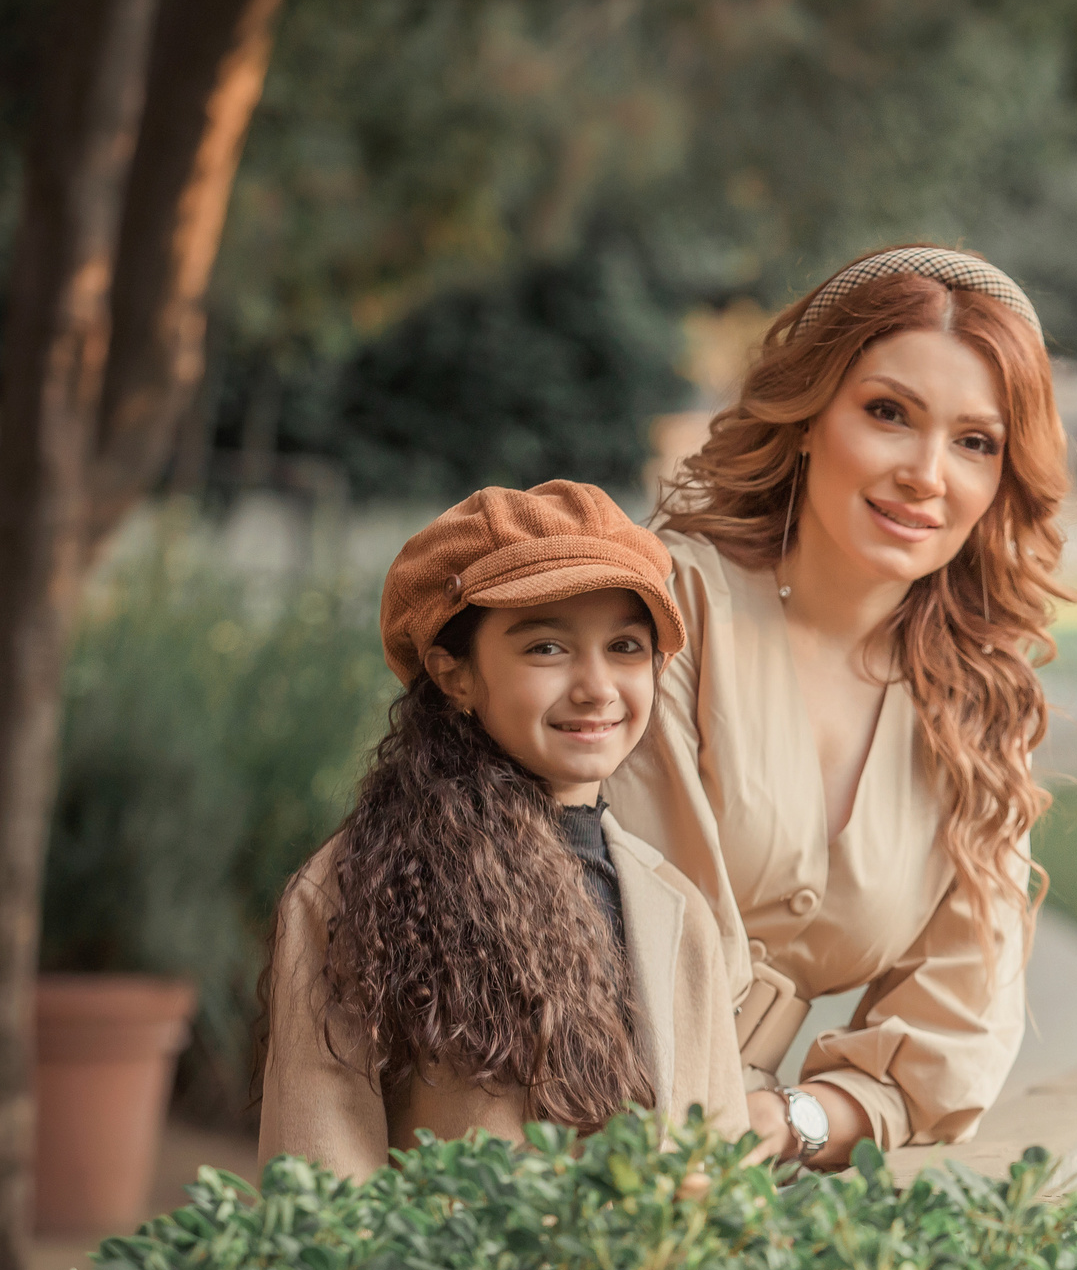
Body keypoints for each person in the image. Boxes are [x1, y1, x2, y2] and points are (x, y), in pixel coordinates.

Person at [605, 245, 1070, 1170]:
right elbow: (622, 927)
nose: (926, 473)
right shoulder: (663, 609)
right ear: (812, 415)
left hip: (716, 1170)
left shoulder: (976, 705)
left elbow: (961, 1030)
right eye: (889, 414)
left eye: (975, 441)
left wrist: (799, 1120)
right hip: (535, 1127)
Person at [257, 482, 748, 1181]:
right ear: (452, 673)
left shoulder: (679, 911)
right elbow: (321, 1180)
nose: (597, 686)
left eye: (625, 646)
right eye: (547, 647)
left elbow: (721, 1177)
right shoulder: (353, 890)